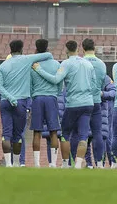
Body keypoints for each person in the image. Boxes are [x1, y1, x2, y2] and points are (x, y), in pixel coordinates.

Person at [32, 40, 96, 168]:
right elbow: (94, 85)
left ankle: (66, 164)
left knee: (65, 134)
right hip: (88, 103)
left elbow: (56, 79)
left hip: (73, 103)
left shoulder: (66, 63)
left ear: (66, 50)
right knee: (83, 136)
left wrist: (39, 69)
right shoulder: (88, 64)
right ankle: (78, 165)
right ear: (78, 49)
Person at [0, 39, 52, 166]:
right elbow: (48, 55)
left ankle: (9, 165)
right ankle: (16, 163)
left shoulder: (3, 65)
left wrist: (9, 97)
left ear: (10, 50)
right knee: (18, 135)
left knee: (6, 134)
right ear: (21, 49)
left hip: (6, 102)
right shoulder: (26, 59)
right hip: (21, 102)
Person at [29, 38, 61, 168]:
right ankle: (52, 163)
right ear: (48, 49)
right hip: (51, 98)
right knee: (54, 131)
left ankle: (36, 164)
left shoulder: (33, 65)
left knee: (37, 132)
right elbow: (60, 84)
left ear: (36, 49)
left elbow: (30, 86)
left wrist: (34, 95)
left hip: (37, 98)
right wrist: (55, 94)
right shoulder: (56, 64)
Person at [81, 39, 108, 168]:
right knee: (97, 133)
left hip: (82, 101)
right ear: (95, 48)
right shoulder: (101, 64)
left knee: (81, 133)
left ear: (83, 48)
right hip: (96, 101)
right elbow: (103, 83)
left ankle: (79, 162)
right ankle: (99, 163)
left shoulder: (80, 62)